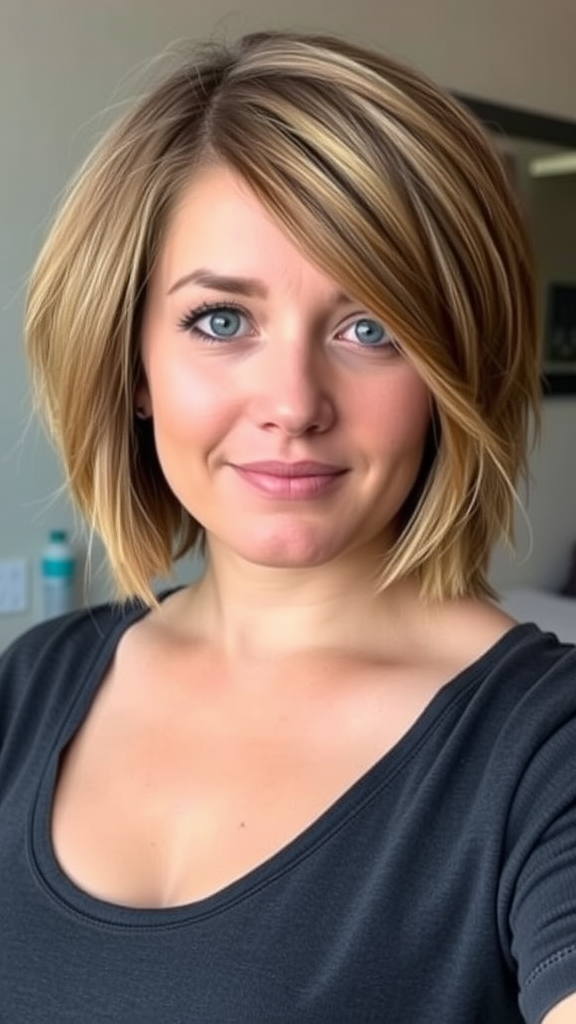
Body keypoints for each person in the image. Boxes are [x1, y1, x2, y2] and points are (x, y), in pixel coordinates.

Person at [1, 29, 575, 1024]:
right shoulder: (29, 683)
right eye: (221, 320)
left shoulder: (545, 749)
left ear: (454, 375)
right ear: (134, 366)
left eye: (374, 329)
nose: (294, 403)